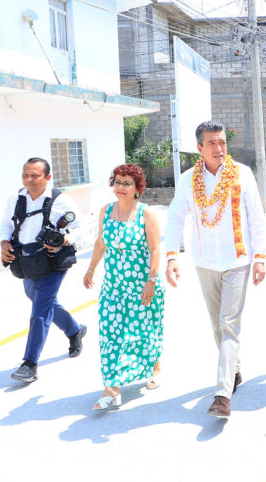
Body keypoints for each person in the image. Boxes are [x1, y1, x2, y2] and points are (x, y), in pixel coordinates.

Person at [165, 120, 266, 419]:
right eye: (212, 143)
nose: (219, 148)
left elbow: (257, 218)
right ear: (200, 148)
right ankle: (233, 370)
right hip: (204, 261)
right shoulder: (187, 179)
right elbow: (174, 218)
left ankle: (222, 395)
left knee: (229, 323)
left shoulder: (243, 174)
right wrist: (172, 256)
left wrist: (260, 256)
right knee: (216, 326)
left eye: (222, 142)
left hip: (238, 260)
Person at [83, 164, 165, 410]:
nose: (121, 187)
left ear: (138, 188)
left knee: (143, 334)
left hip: (142, 286)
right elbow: (100, 242)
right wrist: (90, 269)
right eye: (118, 182)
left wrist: (151, 280)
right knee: (110, 335)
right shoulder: (106, 211)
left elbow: (155, 249)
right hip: (114, 287)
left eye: (127, 183)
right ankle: (111, 387)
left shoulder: (145, 214)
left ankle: (154, 365)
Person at [0, 158, 86, 383]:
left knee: (40, 310)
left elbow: (81, 228)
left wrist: (65, 239)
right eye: (25, 175)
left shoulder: (61, 201)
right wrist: (3, 243)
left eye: (35, 175)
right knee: (37, 297)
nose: (29, 180)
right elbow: (6, 225)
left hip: (54, 261)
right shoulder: (16, 199)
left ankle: (30, 364)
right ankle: (74, 330)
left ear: (47, 177)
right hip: (27, 261)